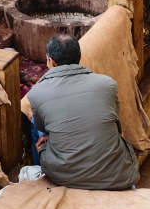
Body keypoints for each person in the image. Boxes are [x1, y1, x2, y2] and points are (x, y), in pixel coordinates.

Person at [27, 34, 139, 190]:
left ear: (51, 61)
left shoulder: (36, 93)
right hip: (115, 175)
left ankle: (41, 175)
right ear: (78, 57)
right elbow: (116, 124)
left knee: (34, 121)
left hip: (63, 176)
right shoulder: (107, 85)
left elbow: (43, 128)